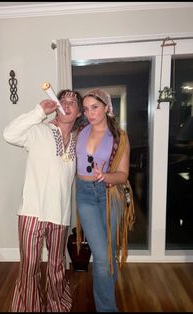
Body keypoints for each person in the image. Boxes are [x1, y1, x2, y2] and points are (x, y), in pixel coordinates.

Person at [3, 89, 83, 312]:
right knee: (29, 267)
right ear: (56, 107)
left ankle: (57, 305)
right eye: (62, 101)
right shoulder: (38, 130)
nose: (67, 105)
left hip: (60, 212)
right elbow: (9, 134)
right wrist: (39, 111)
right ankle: (29, 307)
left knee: (56, 265)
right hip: (31, 212)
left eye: (72, 103)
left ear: (78, 113)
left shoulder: (80, 140)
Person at [75, 88, 135, 312]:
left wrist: (105, 176)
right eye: (86, 109)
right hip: (85, 195)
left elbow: (123, 175)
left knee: (106, 256)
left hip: (110, 196)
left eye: (95, 107)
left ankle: (106, 306)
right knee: (102, 256)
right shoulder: (80, 131)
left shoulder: (119, 137)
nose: (89, 113)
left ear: (107, 108)